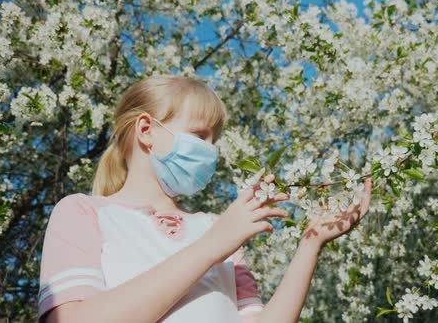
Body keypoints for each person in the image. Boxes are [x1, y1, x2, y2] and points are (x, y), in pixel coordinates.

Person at [37, 74, 372, 323]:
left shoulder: (215, 229)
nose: (210, 151)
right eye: (199, 135)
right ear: (146, 130)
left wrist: (311, 242)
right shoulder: (85, 213)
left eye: (214, 140)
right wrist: (213, 245)